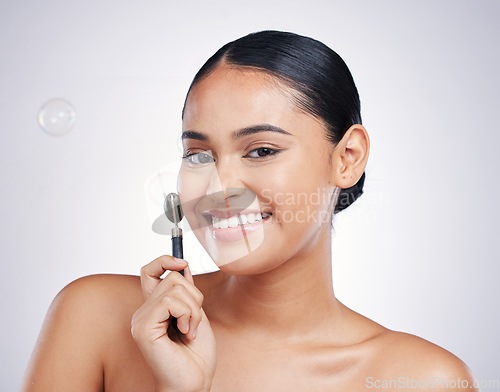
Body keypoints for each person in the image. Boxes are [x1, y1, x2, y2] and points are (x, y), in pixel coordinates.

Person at [21, 30, 477, 392]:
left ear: (347, 158)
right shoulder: (96, 318)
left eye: (260, 150)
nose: (218, 188)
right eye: (198, 155)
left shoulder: (423, 380)